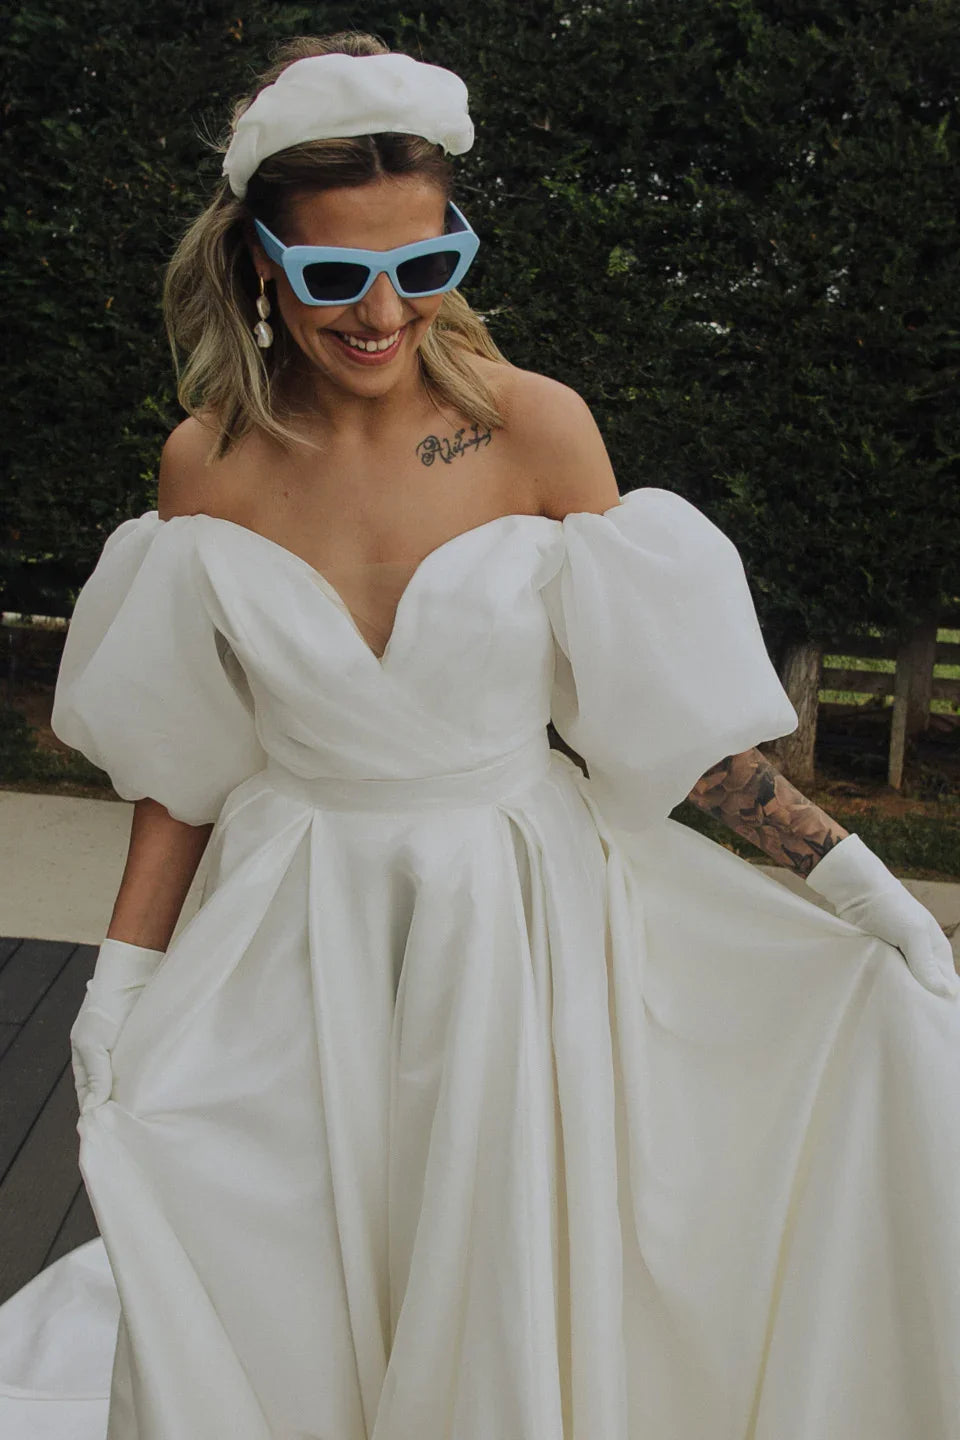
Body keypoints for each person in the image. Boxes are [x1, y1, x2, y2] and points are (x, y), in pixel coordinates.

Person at [1, 31, 959, 1440]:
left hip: (512, 925)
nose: (384, 310)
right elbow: (185, 767)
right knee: (281, 1263)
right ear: (262, 261)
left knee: (490, 1259)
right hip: (294, 929)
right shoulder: (203, 467)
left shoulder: (535, 432)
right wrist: (123, 986)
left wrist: (859, 887)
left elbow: (669, 716)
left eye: (426, 262)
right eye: (335, 275)